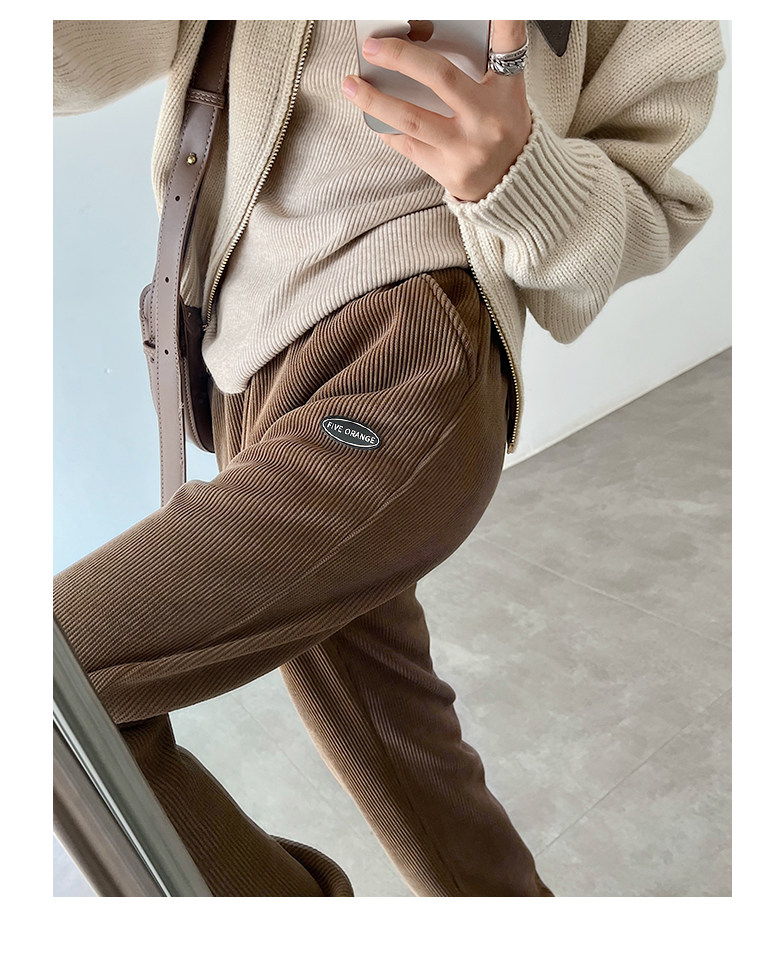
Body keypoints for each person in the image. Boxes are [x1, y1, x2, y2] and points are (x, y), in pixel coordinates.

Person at [53, 20, 726, 897]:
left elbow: (650, 209)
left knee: (53, 676)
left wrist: (518, 174)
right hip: (249, 381)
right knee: (411, 770)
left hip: (406, 353)